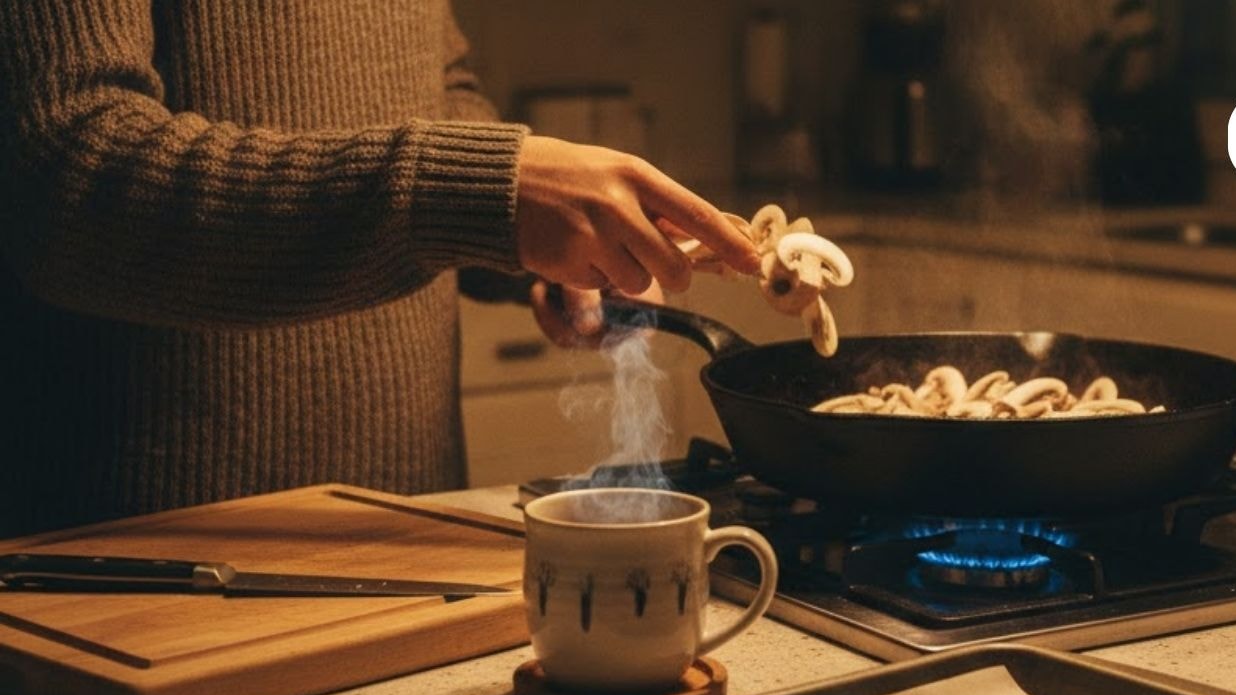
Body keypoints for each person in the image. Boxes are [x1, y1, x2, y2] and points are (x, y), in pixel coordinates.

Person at [0, 0, 760, 539]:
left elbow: (435, 90)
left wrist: (533, 235)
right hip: (134, 557)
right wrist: (478, 191)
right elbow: (67, 178)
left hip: (410, 525)